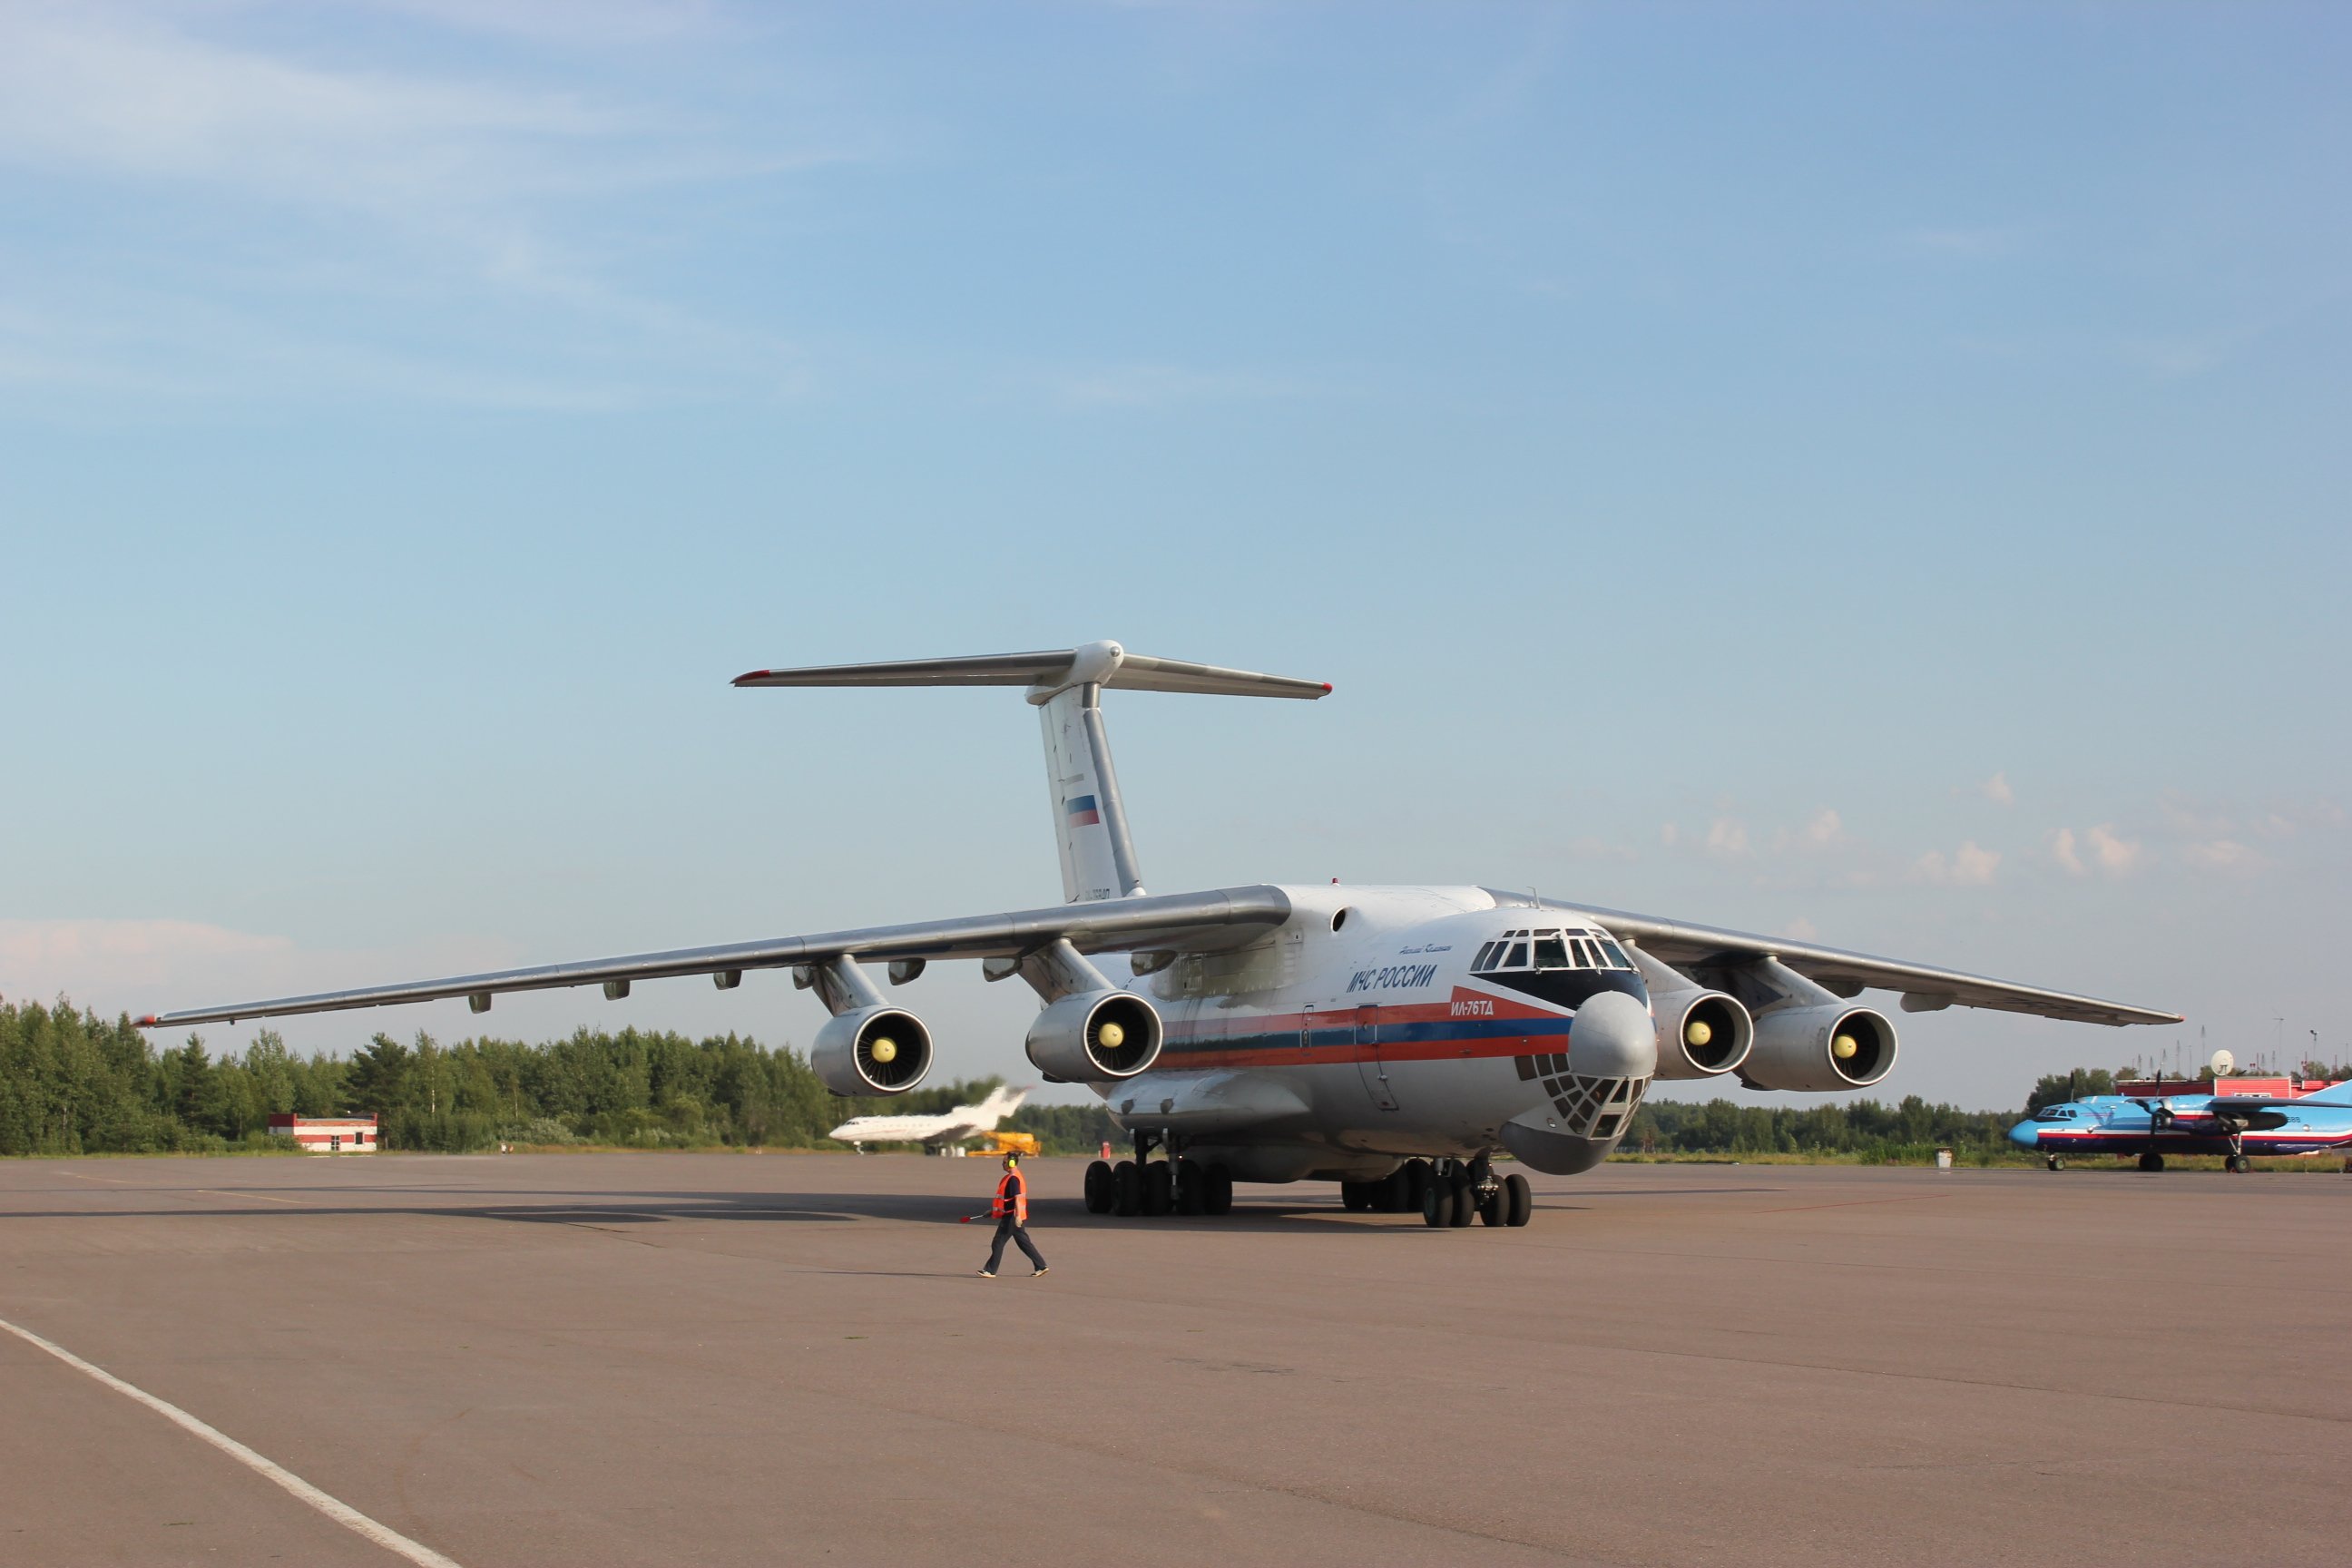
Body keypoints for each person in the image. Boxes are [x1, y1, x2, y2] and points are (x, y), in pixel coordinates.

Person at [978, 1152, 1048, 1278]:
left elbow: (1016, 1198)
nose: (1002, 1164)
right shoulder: (1010, 1177)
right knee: (1024, 1242)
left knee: (998, 1242)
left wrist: (1017, 1217)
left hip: (1012, 1217)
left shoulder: (1013, 1179)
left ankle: (990, 1270)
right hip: (1014, 1216)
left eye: (1004, 1162)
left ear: (1011, 1163)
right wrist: (992, 1211)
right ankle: (1041, 1266)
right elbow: (1005, 1200)